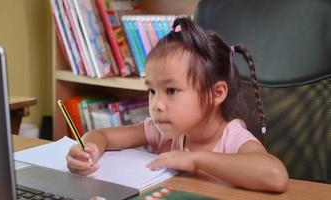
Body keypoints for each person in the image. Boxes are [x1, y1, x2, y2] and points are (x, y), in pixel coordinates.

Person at [66, 17, 288, 192]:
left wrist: (194, 159)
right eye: (152, 90)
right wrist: (89, 150)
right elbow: (103, 135)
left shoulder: (233, 138)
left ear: (216, 93)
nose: (156, 105)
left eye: (171, 90)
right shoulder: (164, 131)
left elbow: (275, 175)